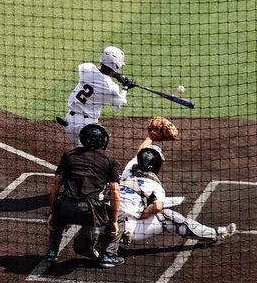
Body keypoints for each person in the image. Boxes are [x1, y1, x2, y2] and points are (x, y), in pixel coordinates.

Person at [118, 143, 236, 247]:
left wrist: (150, 137)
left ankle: (103, 240)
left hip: (106, 217)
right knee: (169, 216)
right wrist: (144, 214)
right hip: (130, 227)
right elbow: (158, 206)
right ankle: (214, 235)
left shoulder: (128, 171)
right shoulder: (154, 184)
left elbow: (140, 150)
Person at [47, 122, 126, 267]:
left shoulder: (69, 155)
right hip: (91, 213)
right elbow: (115, 191)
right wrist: (114, 221)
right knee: (120, 216)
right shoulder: (109, 160)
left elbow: (55, 185)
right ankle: (108, 255)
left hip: (66, 210)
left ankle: (52, 252)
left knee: (58, 206)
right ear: (103, 140)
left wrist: (53, 212)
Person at [58, 47, 135, 146]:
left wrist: (115, 75)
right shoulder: (110, 87)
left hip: (69, 122)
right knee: (89, 156)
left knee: (79, 152)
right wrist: (126, 87)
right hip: (86, 127)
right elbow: (119, 104)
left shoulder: (87, 68)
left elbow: (100, 73)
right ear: (117, 66)